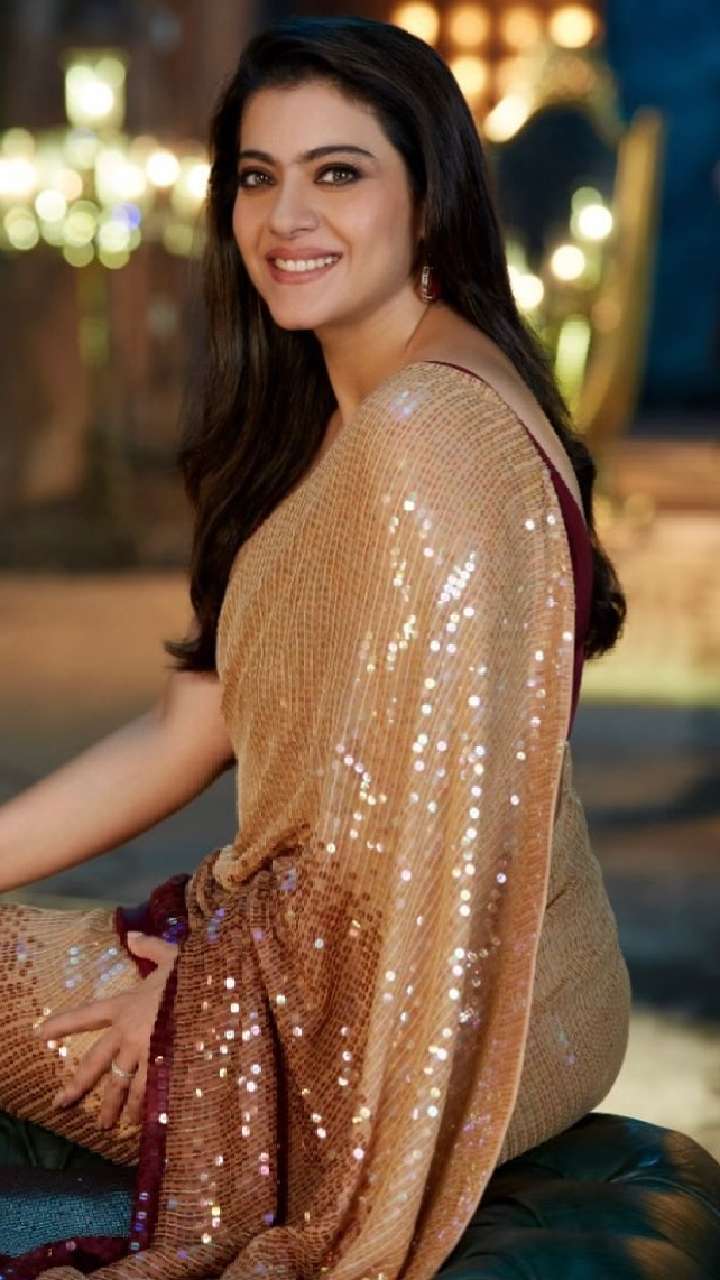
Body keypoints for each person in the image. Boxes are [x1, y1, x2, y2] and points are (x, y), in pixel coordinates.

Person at [0, 15, 632, 1277]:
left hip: (445, 1024)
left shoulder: (426, 439)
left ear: (430, 196)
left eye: (338, 172)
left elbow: (408, 841)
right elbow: (190, 728)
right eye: (258, 175)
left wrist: (206, 1000)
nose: (286, 216)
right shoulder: (333, 408)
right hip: (346, 967)